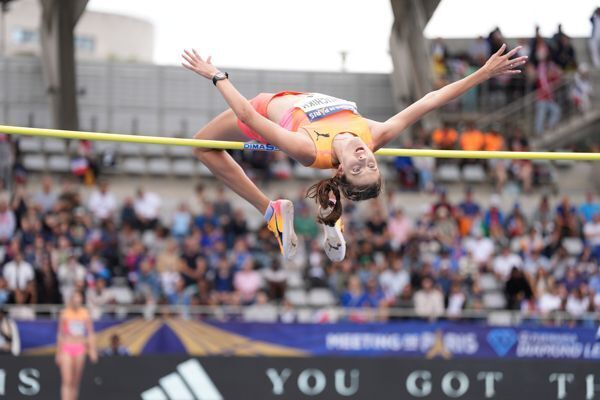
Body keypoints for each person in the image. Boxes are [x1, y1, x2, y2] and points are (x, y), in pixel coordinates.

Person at [180, 45, 527, 261]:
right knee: (203, 145)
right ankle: (331, 221)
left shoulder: (307, 149)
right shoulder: (376, 134)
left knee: (201, 146)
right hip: (292, 98)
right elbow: (430, 100)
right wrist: (482, 73)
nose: (365, 158)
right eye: (372, 164)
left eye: (359, 168)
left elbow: (248, 116)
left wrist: (217, 76)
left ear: (342, 171)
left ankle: (270, 211)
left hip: (261, 107)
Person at [56, 291, 97, 400]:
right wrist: (58, 353)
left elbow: (90, 333)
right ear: (71, 300)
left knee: (75, 380)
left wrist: (92, 350)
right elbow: (60, 334)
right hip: (67, 347)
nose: (77, 301)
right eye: (75, 298)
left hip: (80, 347)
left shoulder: (85, 313)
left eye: (79, 298)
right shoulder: (65, 313)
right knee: (67, 380)